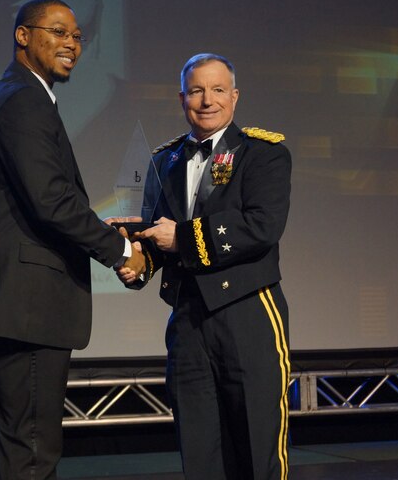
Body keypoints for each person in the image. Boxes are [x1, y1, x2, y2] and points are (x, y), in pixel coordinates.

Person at [0, 0, 145, 480]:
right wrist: (121, 251)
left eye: (77, 36)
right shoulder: (23, 100)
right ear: (23, 36)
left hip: (11, 305)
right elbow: (52, 200)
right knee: (31, 452)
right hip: (28, 307)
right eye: (58, 32)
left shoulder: (16, 95)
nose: (71, 44)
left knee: (5, 444)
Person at [114, 53, 292, 480]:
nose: (206, 100)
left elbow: (261, 227)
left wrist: (181, 238)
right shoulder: (165, 161)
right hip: (188, 319)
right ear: (182, 98)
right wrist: (135, 262)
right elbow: (157, 238)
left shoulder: (262, 154)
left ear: (234, 97)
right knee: (199, 448)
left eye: (216, 90)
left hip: (248, 312)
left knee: (256, 445)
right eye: (196, 90)